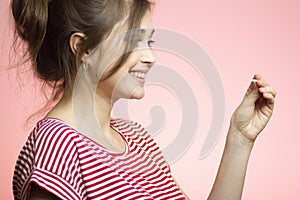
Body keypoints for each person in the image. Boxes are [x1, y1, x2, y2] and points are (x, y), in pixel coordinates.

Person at [11, 0, 276, 199]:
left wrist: (240, 139)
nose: (151, 57)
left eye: (149, 42)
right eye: (134, 42)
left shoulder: (137, 139)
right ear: (84, 49)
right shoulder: (58, 145)